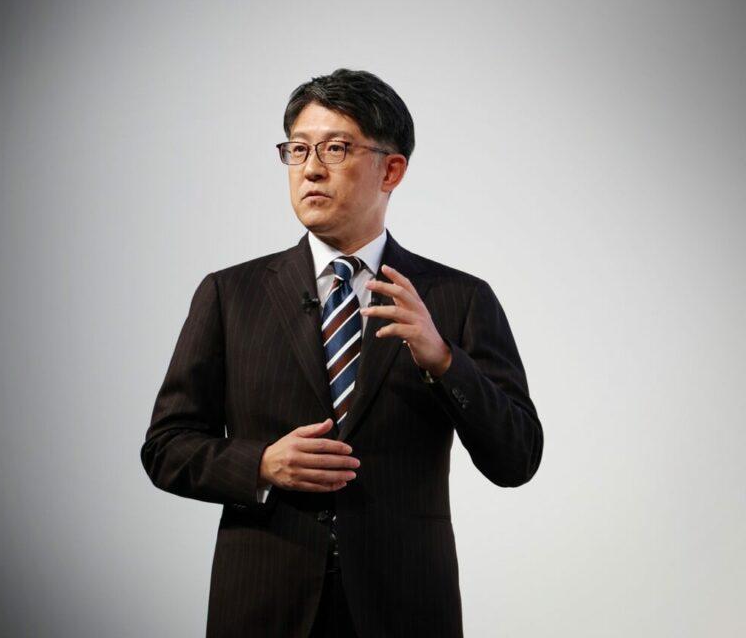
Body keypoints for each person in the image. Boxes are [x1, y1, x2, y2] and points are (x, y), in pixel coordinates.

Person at [141, 68, 543, 638]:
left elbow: (517, 459)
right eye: (298, 149)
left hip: (405, 608)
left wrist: (443, 360)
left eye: (335, 148)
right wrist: (260, 464)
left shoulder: (458, 298)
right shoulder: (230, 295)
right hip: (263, 604)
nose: (310, 168)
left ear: (391, 169)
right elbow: (166, 447)